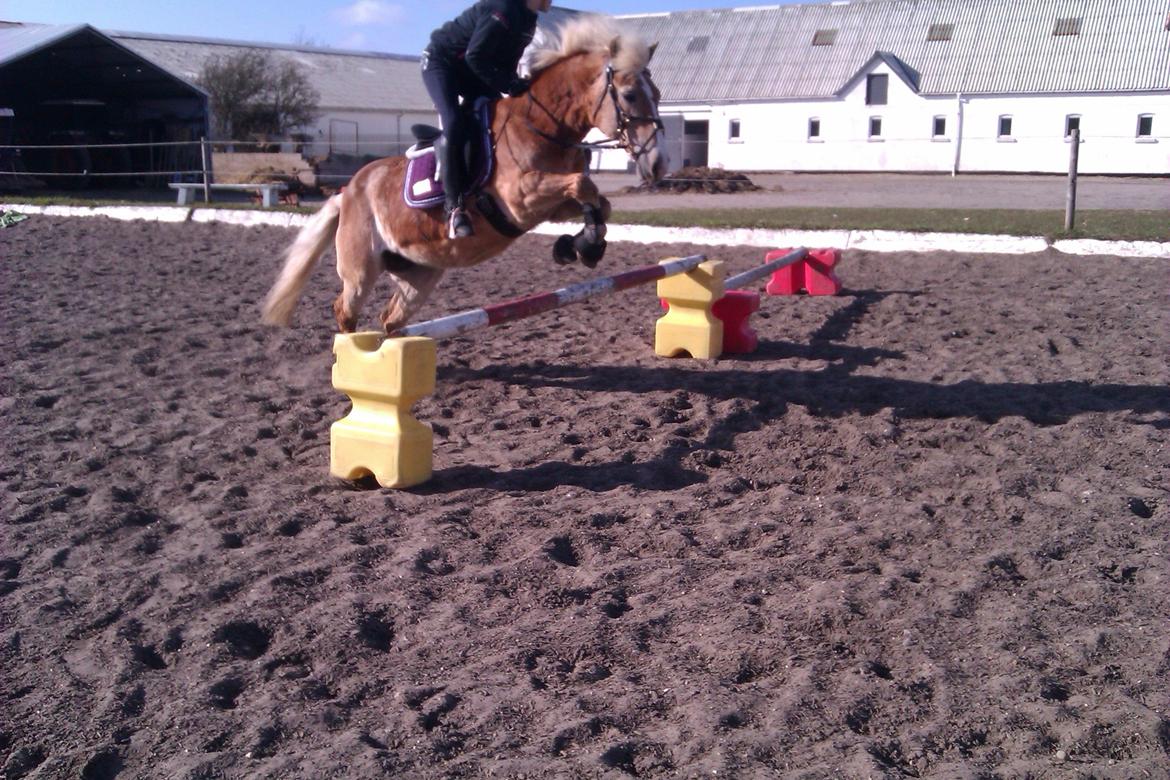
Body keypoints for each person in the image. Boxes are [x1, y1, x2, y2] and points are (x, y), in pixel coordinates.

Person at [421, 0, 553, 239]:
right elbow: (475, 56)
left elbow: (506, 65)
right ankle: (454, 208)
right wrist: (510, 85)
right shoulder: (502, 10)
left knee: (502, 118)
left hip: (472, 70)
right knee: (453, 123)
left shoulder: (529, 19)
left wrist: (519, 86)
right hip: (443, 64)